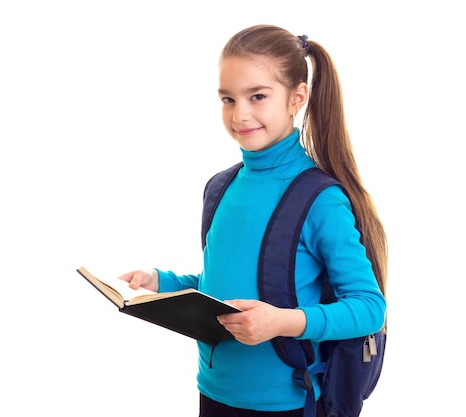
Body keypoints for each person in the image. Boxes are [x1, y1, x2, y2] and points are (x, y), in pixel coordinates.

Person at [118, 24, 387, 417]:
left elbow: (369, 307)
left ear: (297, 98)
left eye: (257, 96)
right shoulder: (220, 187)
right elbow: (225, 287)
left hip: (284, 405)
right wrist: (162, 283)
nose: (239, 114)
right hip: (212, 392)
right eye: (227, 99)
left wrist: (282, 322)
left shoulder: (321, 200)